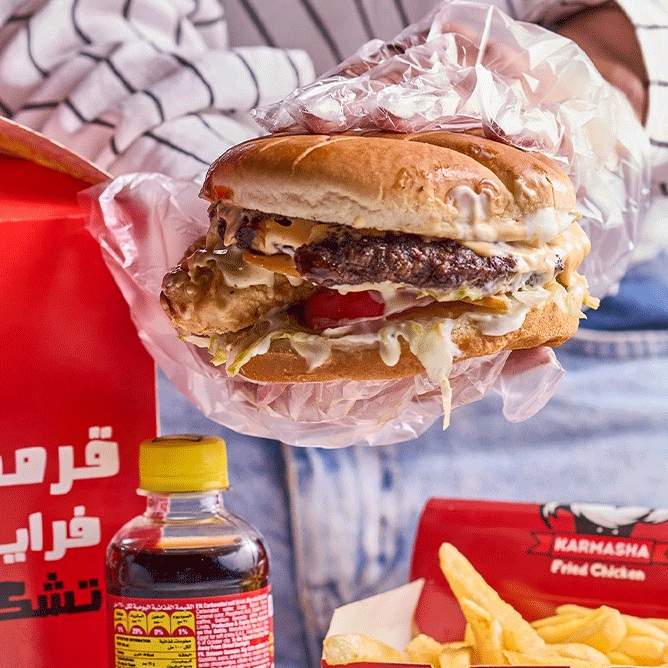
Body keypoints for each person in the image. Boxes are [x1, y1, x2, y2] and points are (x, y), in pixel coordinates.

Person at [1, 2, 667, 666]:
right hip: (155, 361)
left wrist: (610, 82)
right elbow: (57, 28)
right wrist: (230, 207)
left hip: (601, 371)